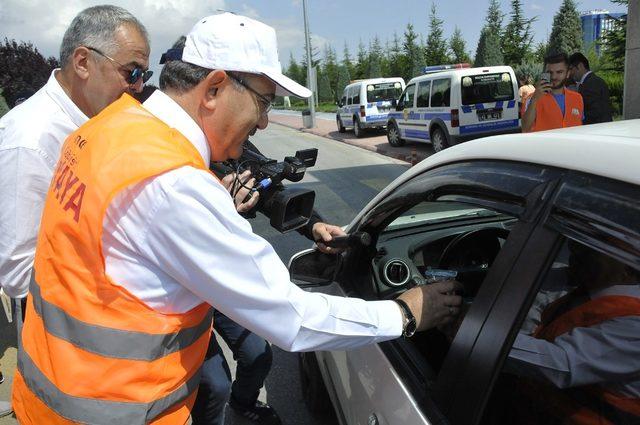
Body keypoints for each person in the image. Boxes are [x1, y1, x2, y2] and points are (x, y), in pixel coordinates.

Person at [12, 12, 462, 424]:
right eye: (264, 101)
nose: (265, 122)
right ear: (213, 88)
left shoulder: (104, 130)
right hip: (113, 410)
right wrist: (404, 314)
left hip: (51, 397)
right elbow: (290, 317)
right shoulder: (175, 182)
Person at [0, 5, 150, 420]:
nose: (138, 87)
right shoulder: (29, 140)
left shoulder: (97, 121)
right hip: (71, 352)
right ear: (83, 62)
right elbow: (17, 269)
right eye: (132, 72)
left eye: (144, 75)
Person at [506, 241, 640, 424]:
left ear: (629, 268)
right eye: (577, 245)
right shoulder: (588, 287)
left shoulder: (634, 325)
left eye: (594, 249)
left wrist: (490, 338)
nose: (575, 252)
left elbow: (563, 364)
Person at [522, 53, 584, 133]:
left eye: (559, 72)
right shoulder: (532, 98)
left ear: (568, 73)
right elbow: (525, 129)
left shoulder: (577, 98)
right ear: (545, 73)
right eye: (550, 72)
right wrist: (534, 99)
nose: (554, 77)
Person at [569, 52, 613, 124]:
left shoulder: (591, 83)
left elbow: (594, 113)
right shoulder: (594, 81)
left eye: (571, 69)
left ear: (580, 66)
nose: (570, 73)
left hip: (596, 130)